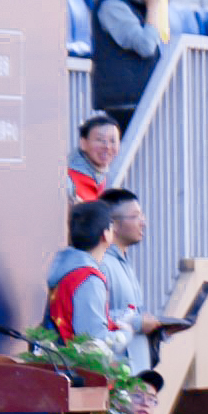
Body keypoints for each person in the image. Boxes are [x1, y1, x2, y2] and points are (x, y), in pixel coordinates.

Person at [89, 0, 163, 135]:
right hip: (124, 102)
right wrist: (154, 7)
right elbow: (145, 45)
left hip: (137, 99)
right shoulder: (112, 4)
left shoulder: (132, 2)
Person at [42, 200, 132, 354]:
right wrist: (125, 334)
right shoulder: (89, 279)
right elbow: (93, 344)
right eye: (111, 225)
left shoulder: (66, 270)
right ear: (105, 234)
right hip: (76, 371)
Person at [100, 187, 170, 374]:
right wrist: (139, 323)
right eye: (136, 216)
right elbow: (95, 321)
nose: (143, 223)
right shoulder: (102, 264)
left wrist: (158, 328)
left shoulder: (123, 263)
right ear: (113, 224)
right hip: (117, 373)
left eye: (142, 216)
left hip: (134, 372)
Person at [68, 110, 121, 202]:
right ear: (83, 143)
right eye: (99, 139)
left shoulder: (100, 178)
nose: (107, 146)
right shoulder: (68, 179)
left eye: (112, 141)